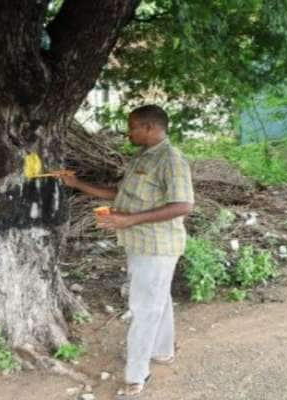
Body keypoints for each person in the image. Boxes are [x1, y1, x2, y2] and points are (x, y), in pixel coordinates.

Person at [61, 104, 194, 398]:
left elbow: (183, 205)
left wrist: (129, 219)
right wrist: (77, 184)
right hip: (139, 243)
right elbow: (119, 194)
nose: (128, 132)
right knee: (158, 298)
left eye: (132, 126)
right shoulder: (143, 157)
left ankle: (137, 374)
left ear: (149, 127)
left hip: (157, 246)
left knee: (145, 307)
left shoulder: (171, 160)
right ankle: (162, 351)